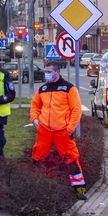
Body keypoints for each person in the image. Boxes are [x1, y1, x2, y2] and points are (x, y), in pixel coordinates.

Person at [30, 61, 87, 200]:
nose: (47, 74)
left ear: (57, 72)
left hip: (63, 131)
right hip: (44, 130)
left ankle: (79, 190)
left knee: (71, 160)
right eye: (45, 71)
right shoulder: (42, 89)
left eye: (49, 72)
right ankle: (37, 188)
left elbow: (76, 110)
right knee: (38, 158)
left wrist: (69, 129)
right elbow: (35, 106)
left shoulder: (69, 88)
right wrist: (34, 119)